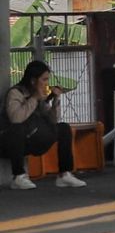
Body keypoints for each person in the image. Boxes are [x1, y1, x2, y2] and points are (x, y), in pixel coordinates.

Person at [1, 61, 87, 190]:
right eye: (44, 79)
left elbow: (53, 120)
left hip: (34, 136)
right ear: (33, 80)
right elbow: (16, 118)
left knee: (63, 128)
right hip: (11, 142)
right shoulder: (15, 93)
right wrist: (34, 98)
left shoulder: (39, 94)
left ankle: (65, 174)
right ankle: (18, 176)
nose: (46, 83)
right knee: (17, 128)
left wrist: (55, 100)